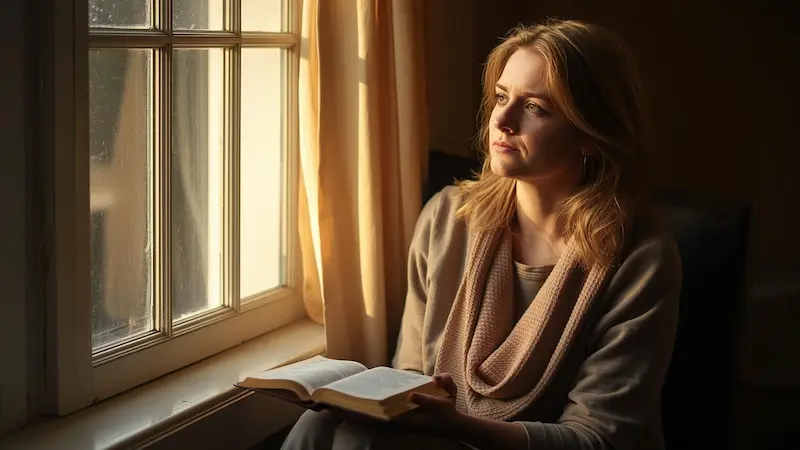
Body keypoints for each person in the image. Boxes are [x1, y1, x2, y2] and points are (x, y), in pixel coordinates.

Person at [282, 18, 681, 450]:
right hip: (443, 438)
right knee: (317, 428)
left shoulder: (640, 257)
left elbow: (598, 438)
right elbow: (412, 373)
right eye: (501, 98)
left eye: (536, 108)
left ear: (589, 134)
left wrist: (457, 426)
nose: (503, 121)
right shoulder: (448, 217)